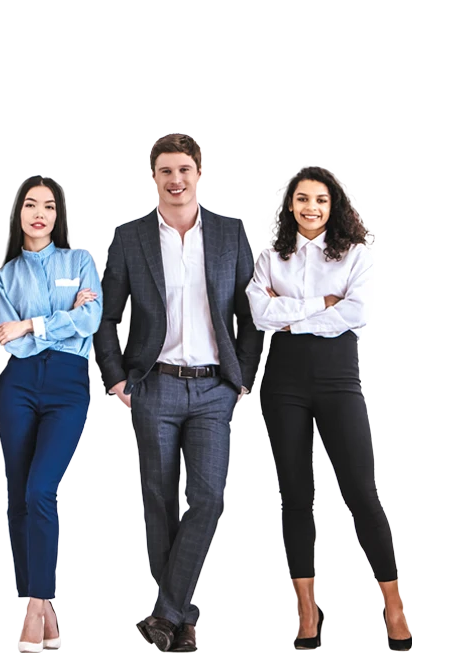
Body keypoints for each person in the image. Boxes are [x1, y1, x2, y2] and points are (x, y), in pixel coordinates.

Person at [94, 133, 264, 653]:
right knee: (161, 501)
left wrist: (242, 378)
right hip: (155, 386)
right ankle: (183, 621)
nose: (176, 179)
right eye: (166, 170)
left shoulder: (231, 234)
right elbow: (107, 316)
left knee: (209, 497)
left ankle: (165, 613)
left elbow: (249, 314)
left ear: (200, 171)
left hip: (214, 387)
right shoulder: (130, 239)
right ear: (154, 176)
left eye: (185, 169)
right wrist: (118, 377)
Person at [246, 162, 413, 651]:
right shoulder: (271, 254)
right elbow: (259, 312)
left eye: (320, 200)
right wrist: (323, 304)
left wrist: (291, 315)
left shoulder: (357, 253)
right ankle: (306, 610)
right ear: (289, 204)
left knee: (361, 489)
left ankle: (394, 603)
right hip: (283, 381)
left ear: (334, 204)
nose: (311, 208)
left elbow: (358, 311)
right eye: (302, 199)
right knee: (297, 494)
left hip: (338, 377)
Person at [0, 174, 102, 653]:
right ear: (18, 214)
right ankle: (39, 607)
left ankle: (38, 600)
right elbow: (6, 338)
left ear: (61, 216)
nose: (40, 213)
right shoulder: (4, 273)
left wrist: (33, 323)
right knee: (20, 496)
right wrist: (62, 321)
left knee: (42, 489)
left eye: (50, 206)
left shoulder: (79, 261)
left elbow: (92, 321)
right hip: (16, 386)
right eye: (31, 205)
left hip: (68, 386)